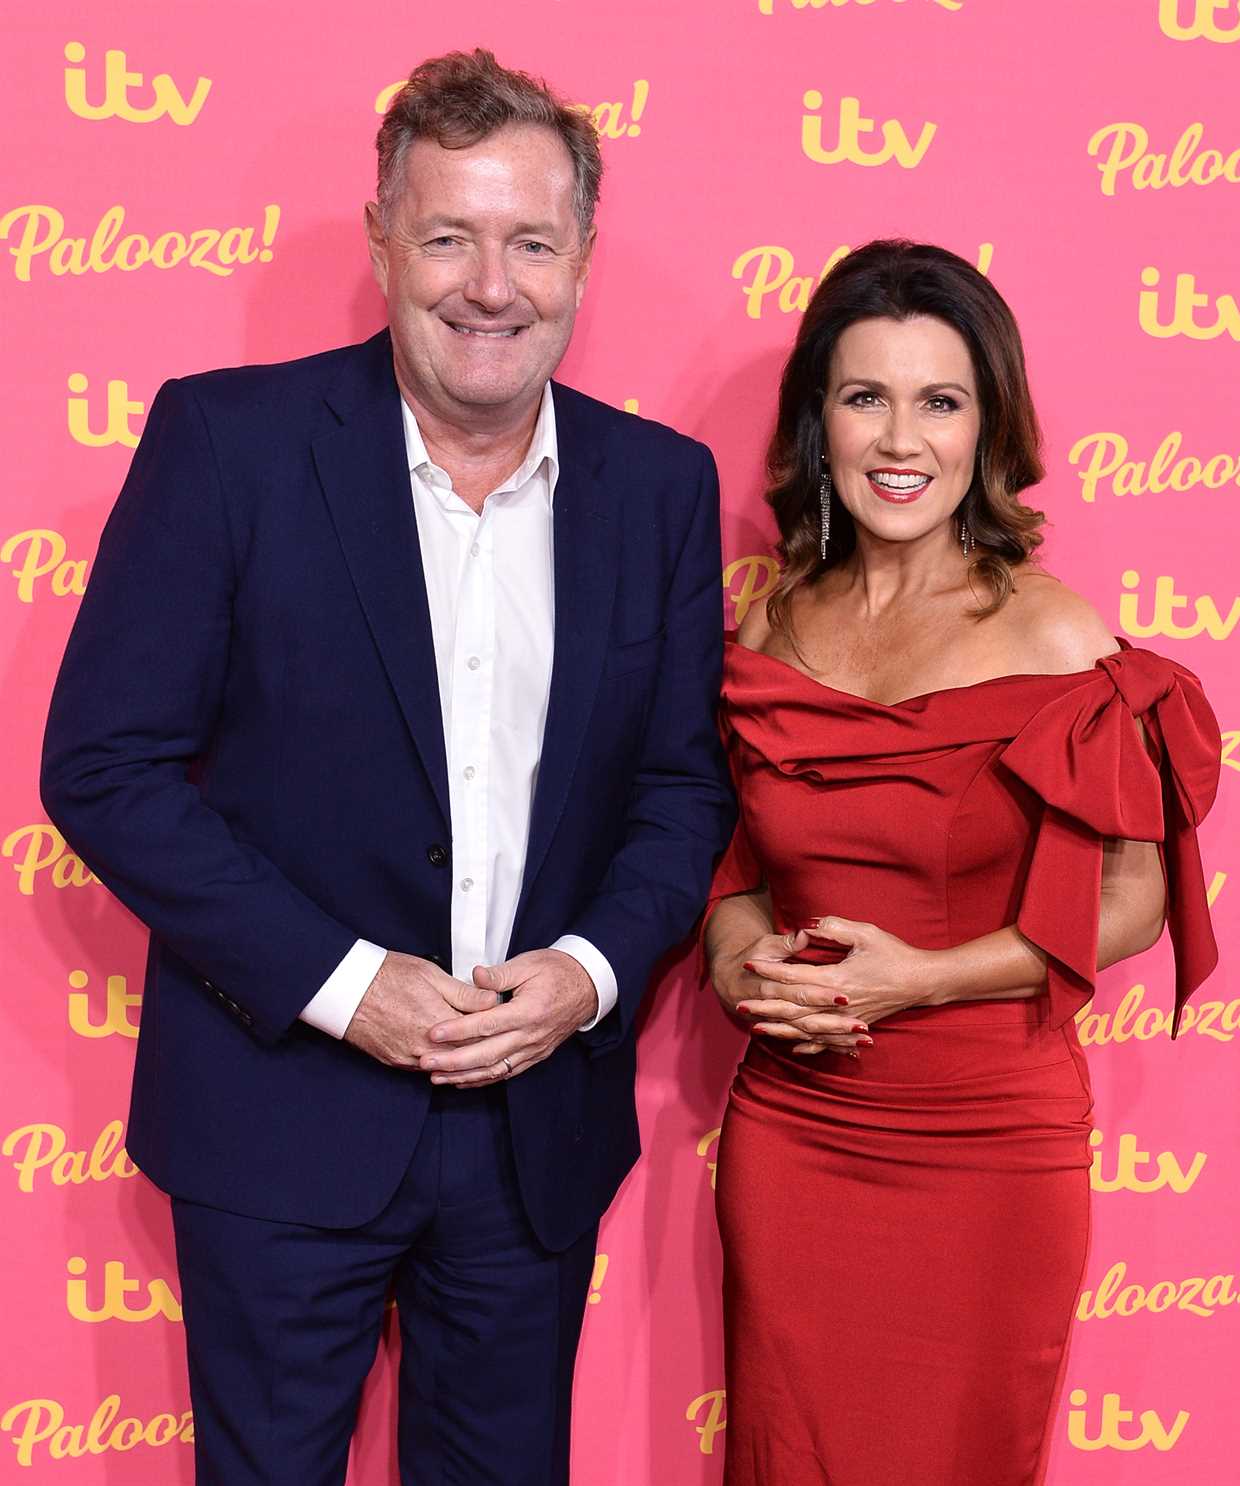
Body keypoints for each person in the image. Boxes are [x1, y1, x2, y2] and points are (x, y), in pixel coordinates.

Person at [41, 49, 734, 1486]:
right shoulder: (227, 444)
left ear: (582, 257)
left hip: (533, 1137)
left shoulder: (661, 487)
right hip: (276, 1118)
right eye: (448, 237)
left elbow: (680, 789)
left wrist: (586, 974)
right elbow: (104, 765)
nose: (490, 285)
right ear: (380, 242)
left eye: (530, 242)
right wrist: (346, 983)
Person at [702, 240, 1221, 1486]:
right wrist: (736, 964)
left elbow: (1133, 898)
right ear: (817, 422)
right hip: (795, 1129)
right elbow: (737, 870)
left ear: (986, 428)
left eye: (939, 400)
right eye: (864, 396)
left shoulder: (1056, 634)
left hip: (986, 1137)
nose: (901, 439)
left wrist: (921, 978)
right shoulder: (769, 624)